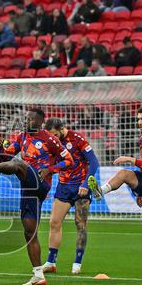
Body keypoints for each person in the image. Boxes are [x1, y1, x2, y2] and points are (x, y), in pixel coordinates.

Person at [0, 109, 72, 285]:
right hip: (27, 187)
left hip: (40, 181)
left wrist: (49, 169)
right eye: (25, 118)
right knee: (30, 233)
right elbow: (5, 155)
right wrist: (0, 147)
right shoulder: (22, 137)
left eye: (30, 119)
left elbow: (69, 160)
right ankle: (38, 275)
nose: (25, 121)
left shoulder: (49, 139)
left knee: (18, 163)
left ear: (39, 122)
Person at [88, 105, 142, 279]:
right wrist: (138, 193)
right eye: (138, 119)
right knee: (125, 173)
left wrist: (130, 158)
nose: (139, 122)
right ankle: (100, 192)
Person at [41, 118, 100, 276]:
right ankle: (51, 262)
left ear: (61, 129)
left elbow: (94, 162)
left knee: (80, 224)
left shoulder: (78, 139)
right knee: (54, 222)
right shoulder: (53, 143)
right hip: (64, 187)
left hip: (81, 187)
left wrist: (86, 184)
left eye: (54, 134)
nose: (53, 138)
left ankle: (77, 262)